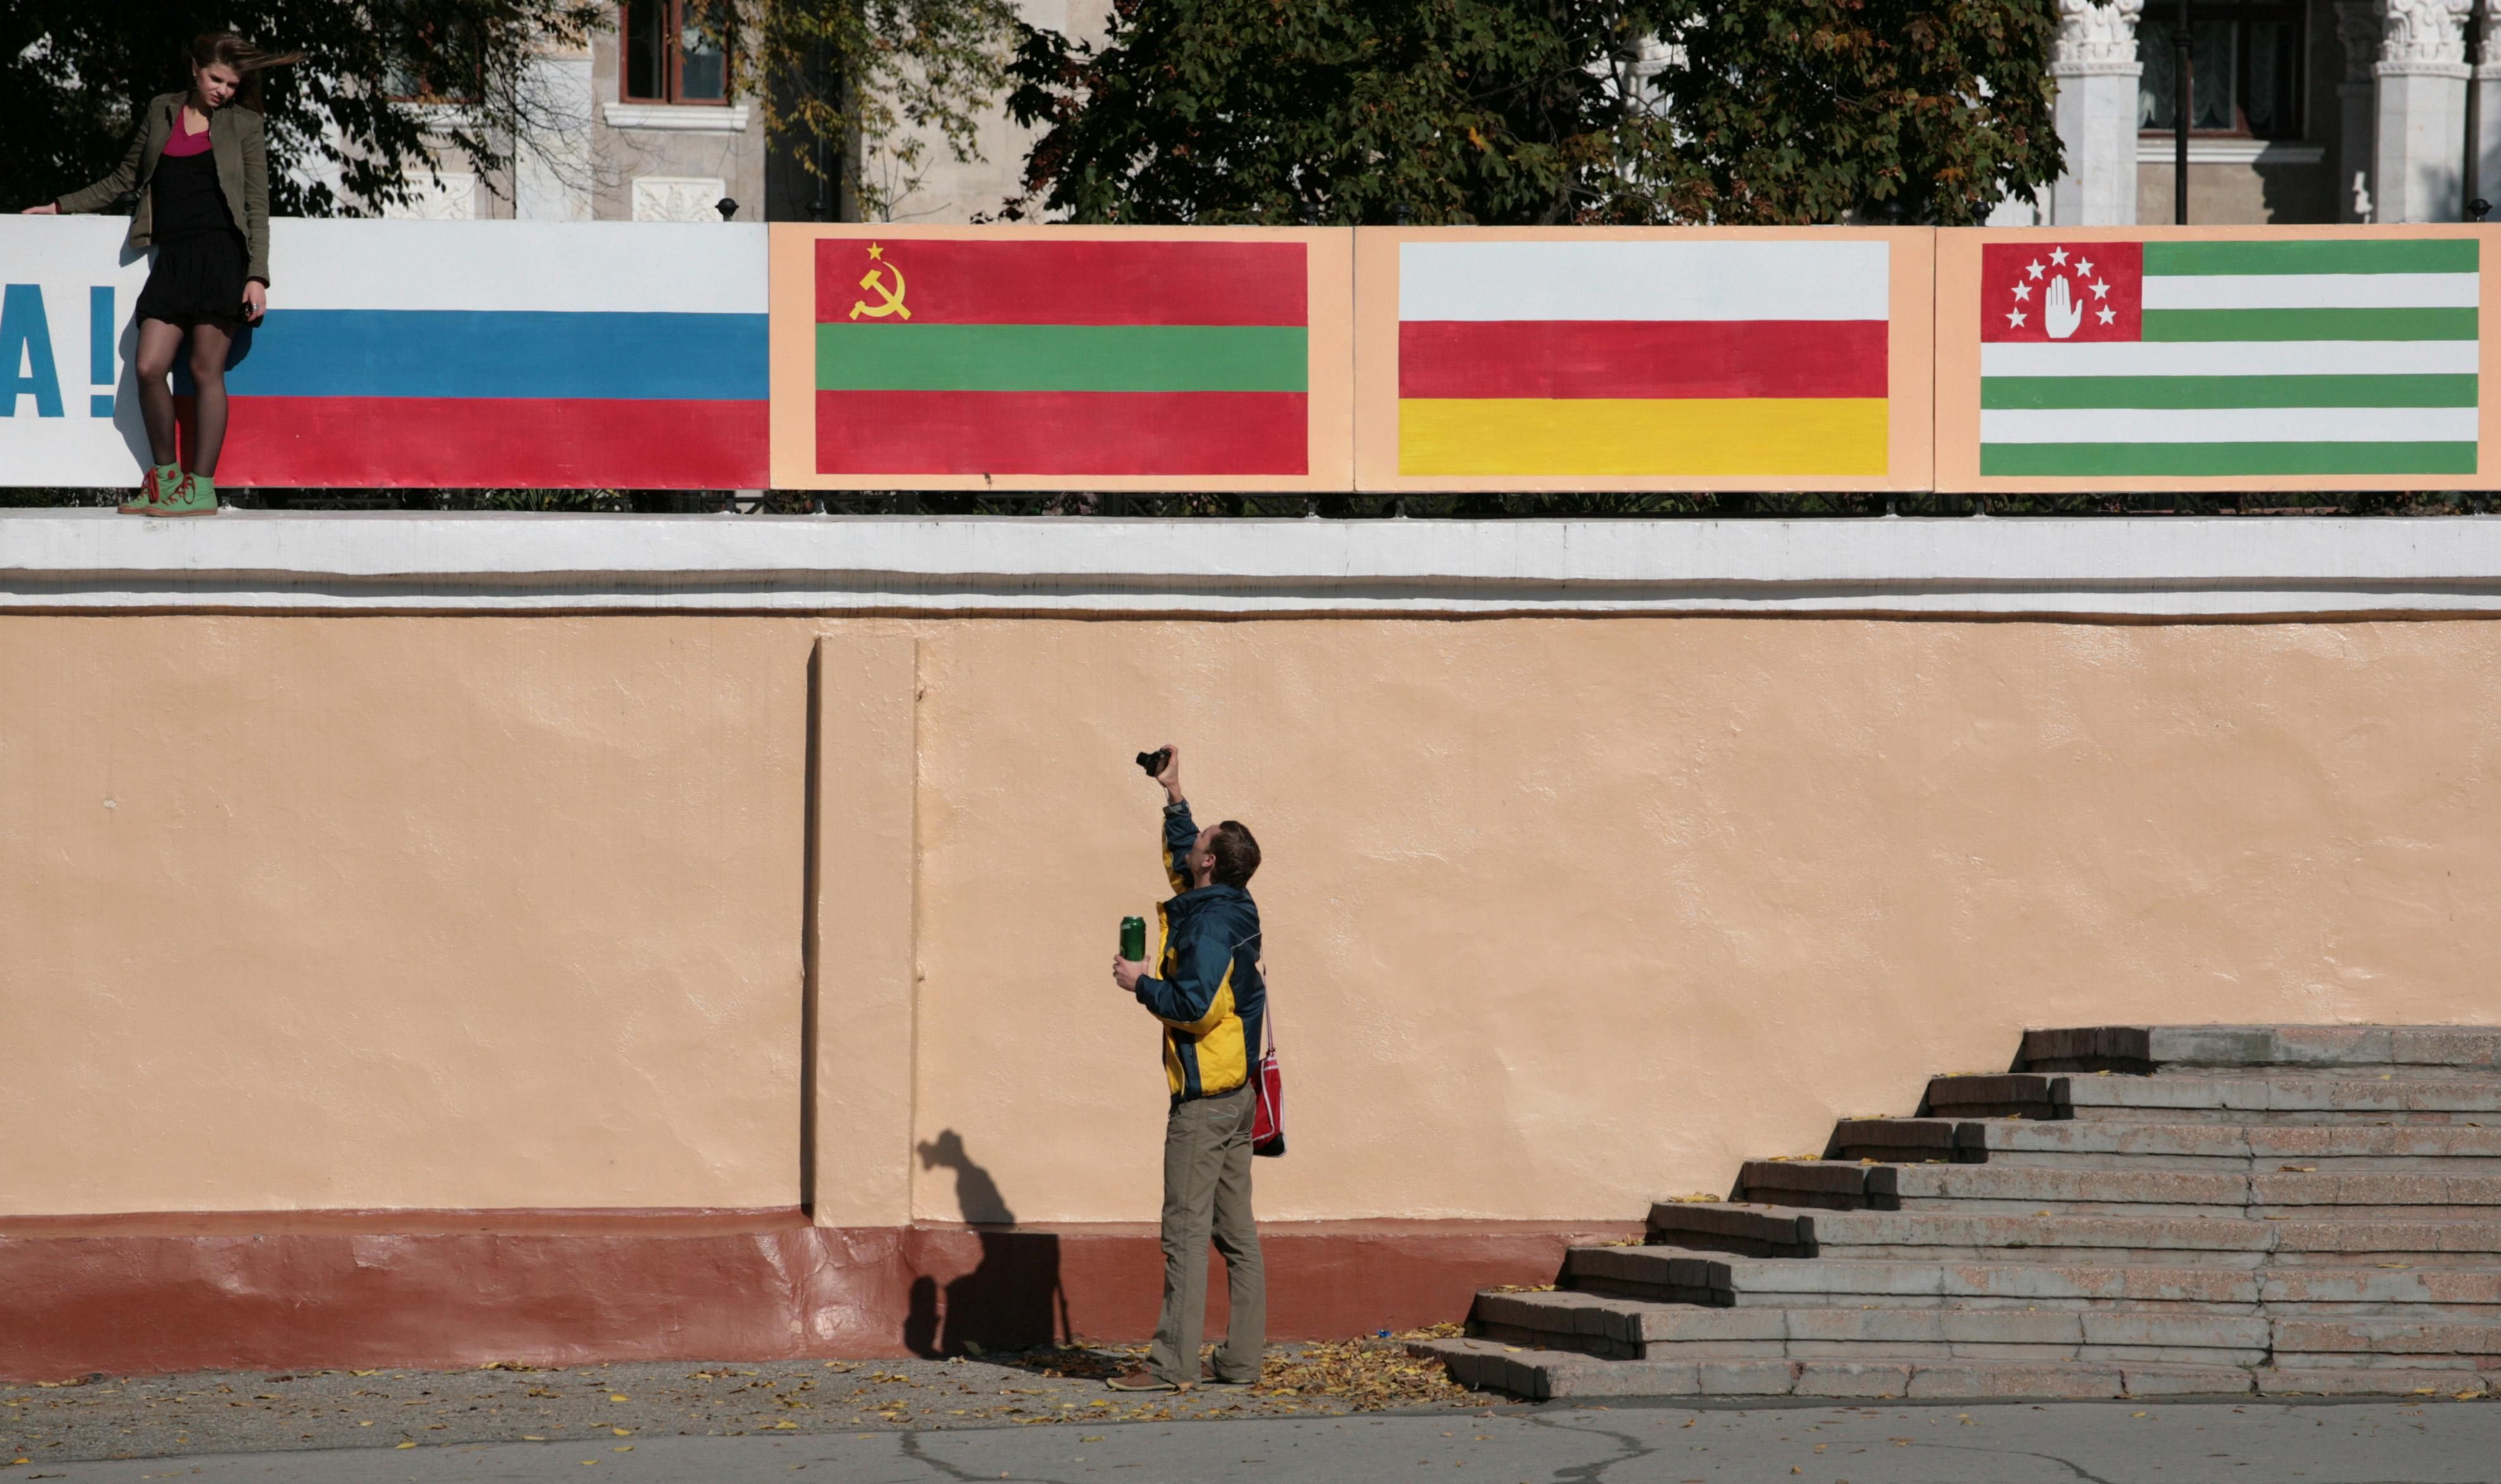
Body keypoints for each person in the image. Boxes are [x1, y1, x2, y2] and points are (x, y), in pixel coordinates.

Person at [24, 33, 297, 517]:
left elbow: (258, 206)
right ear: (194, 69)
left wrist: (258, 275)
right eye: (217, 79)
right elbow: (124, 178)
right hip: (173, 260)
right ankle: (166, 480)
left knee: (202, 370)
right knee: (149, 367)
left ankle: (203, 489)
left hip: (221, 256)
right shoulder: (161, 111)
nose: (224, 91)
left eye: (233, 84)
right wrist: (62, 206)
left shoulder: (244, 125)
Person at [1108, 743, 1268, 1392]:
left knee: (1184, 1230)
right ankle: (1241, 1361)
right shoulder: (1228, 905)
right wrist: (1174, 795)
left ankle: (1171, 1363)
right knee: (1237, 1235)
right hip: (1239, 1092)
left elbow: (1195, 1006)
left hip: (1204, 1102)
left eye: (1199, 839)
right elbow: (1184, 861)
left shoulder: (1205, 928)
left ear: (1211, 862)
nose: (1191, 846)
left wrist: (1140, 983)